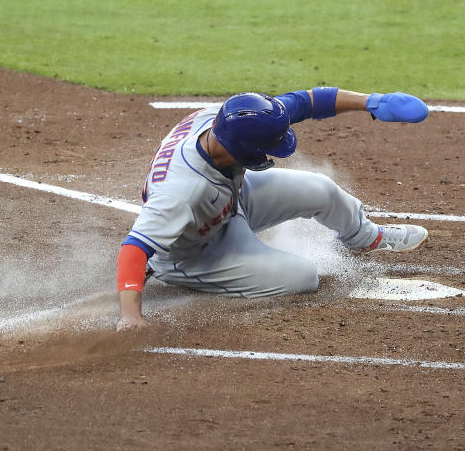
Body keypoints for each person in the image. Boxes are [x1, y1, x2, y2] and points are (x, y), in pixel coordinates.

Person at [116, 88, 430, 331]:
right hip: (195, 252)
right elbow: (133, 249)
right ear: (246, 150)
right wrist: (131, 317)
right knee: (302, 277)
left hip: (231, 200)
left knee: (320, 189)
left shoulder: (232, 120)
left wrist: (374, 102)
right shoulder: (181, 192)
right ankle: (184, 277)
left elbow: (307, 101)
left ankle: (364, 237)